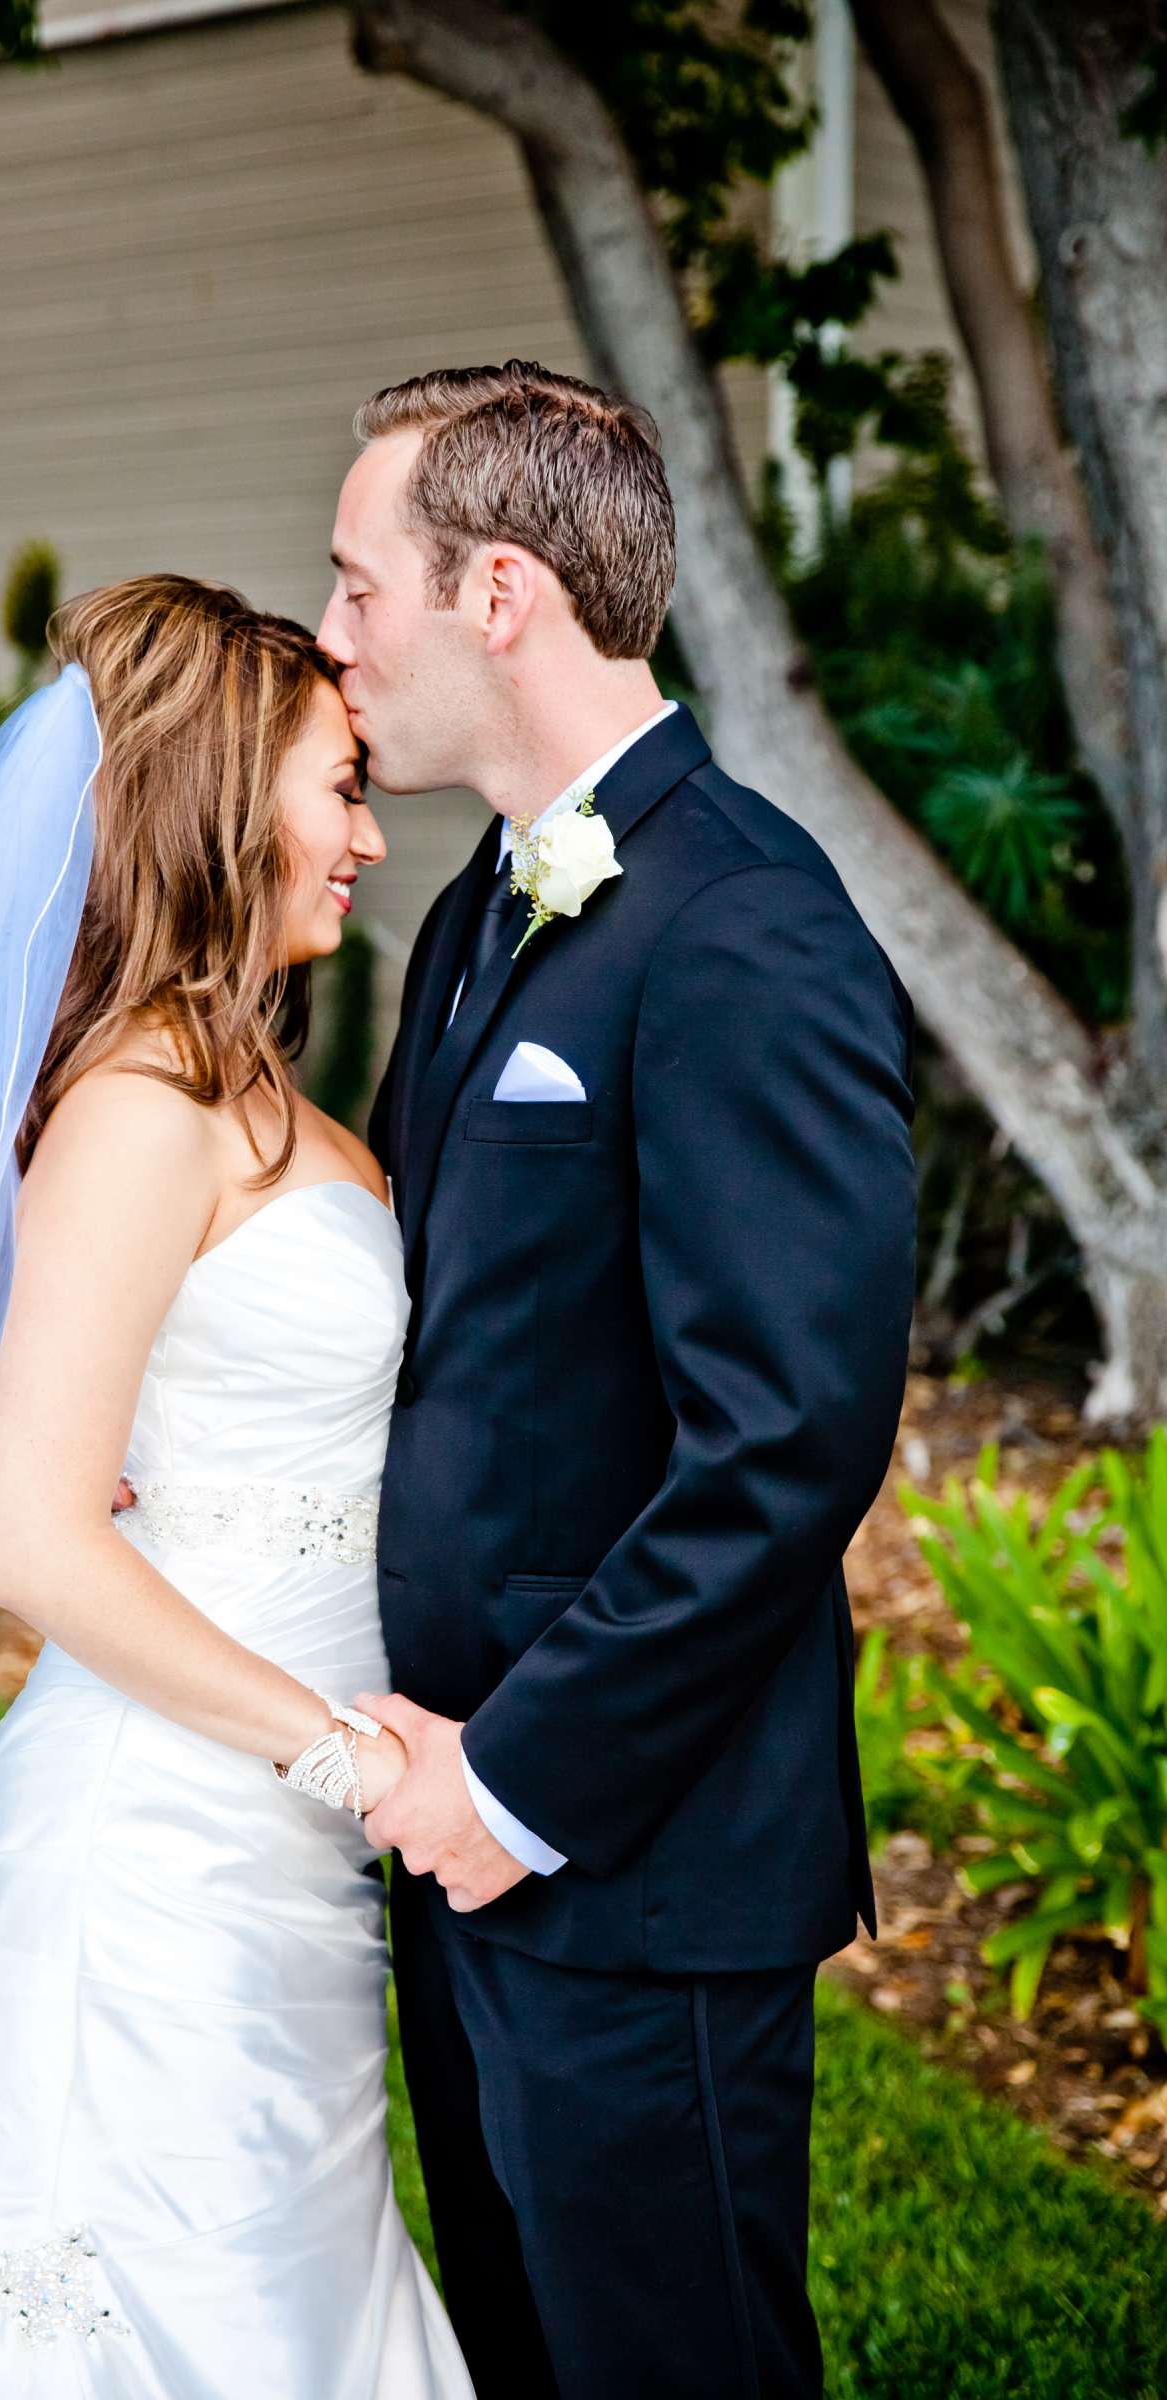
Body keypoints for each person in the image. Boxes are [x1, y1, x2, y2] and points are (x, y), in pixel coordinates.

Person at [0, 574, 475, 2397]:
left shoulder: (244, 1085)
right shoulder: (145, 1103)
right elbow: (40, 1545)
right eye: (337, 786)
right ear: (222, 799)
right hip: (165, 1842)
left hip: (279, 1847)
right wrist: (346, 1756)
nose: (368, 835)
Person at [316, 360, 918, 2400]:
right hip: (448, 1826)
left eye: (352, 589)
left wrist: (516, 1777)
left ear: (496, 592)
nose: (332, 647)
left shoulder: (742, 918)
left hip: (629, 1851)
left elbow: (786, 1441)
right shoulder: (471, 915)